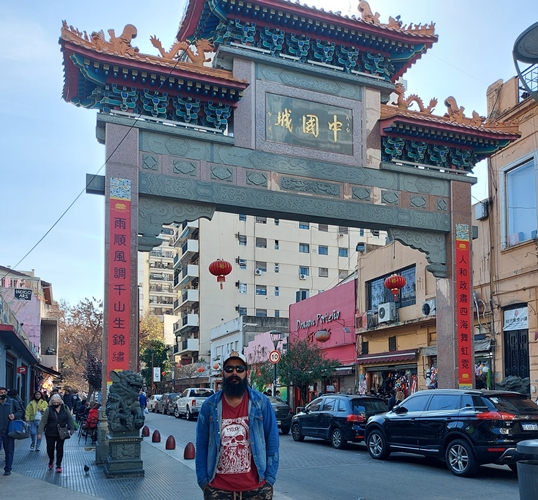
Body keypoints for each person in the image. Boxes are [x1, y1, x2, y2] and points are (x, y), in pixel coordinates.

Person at [196, 351, 279, 499]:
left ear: (246, 372)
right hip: (218, 489)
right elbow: (201, 444)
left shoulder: (261, 403)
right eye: (229, 369)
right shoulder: (209, 405)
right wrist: (203, 482)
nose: (234, 373)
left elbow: (272, 441)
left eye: (239, 369)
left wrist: (269, 480)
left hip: (257, 489)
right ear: (223, 373)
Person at [37, 393, 75, 473]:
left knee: (60, 448)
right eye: (54, 402)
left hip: (61, 431)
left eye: (57, 402)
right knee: (50, 448)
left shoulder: (65, 408)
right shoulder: (48, 409)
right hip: (50, 431)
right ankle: (51, 459)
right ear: (52, 402)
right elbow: (43, 421)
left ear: (60, 402)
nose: (56, 404)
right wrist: (39, 433)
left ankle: (58, 465)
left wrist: (72, 428)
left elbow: (70, 418)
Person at [0, 386, 24, 475]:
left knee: (9, 451)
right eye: (1, 393)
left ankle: (8, 469)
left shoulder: (12, 402)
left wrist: (15, 415)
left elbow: (21, 412)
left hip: (9, 431)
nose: (2, 394)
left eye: (4, 392)